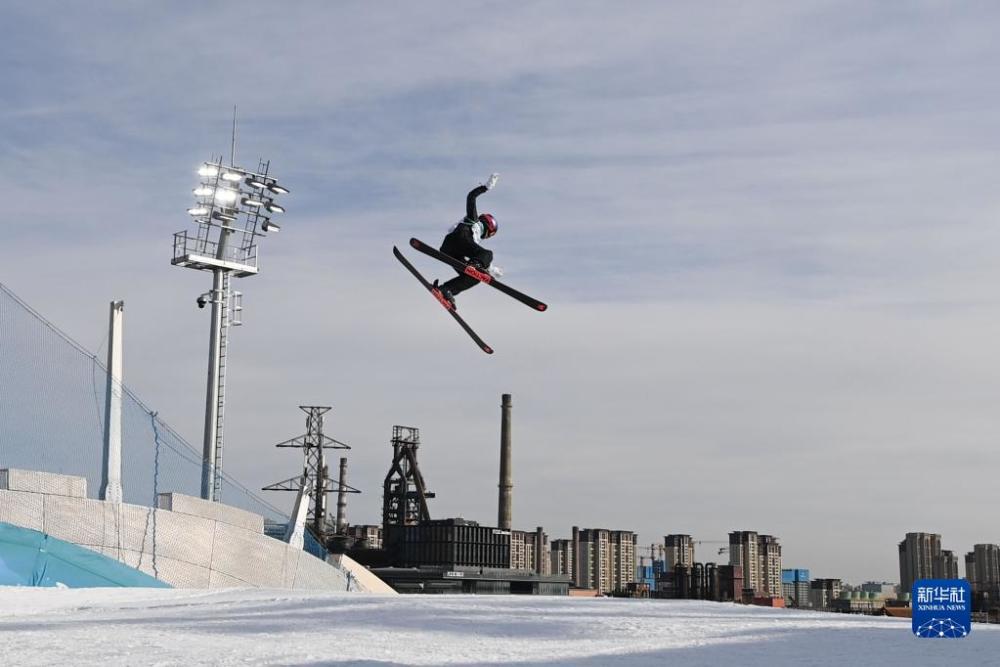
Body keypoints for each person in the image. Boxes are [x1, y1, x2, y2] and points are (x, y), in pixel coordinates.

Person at [433, 173, 503, 308]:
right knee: (488, 254)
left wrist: (490, 270)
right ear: (489, 228)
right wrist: (485, 188)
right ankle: (475, 264)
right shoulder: (474, 220)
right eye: (490, 235)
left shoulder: (475, 242)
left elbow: (476, 253)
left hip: (448, 250)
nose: (487, 237)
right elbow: (471, 197)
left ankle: (446, 290)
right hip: (460, 238)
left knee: (474, 277)